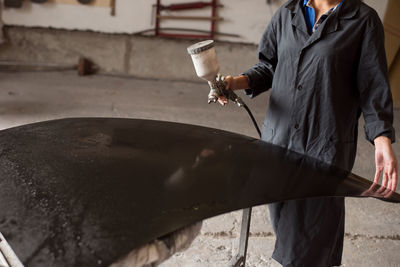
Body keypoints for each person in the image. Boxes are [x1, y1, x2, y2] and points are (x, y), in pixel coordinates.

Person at [218, 0, 398, 266]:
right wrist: (235, 82)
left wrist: (382, 138)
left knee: (309, 241)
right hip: (279, 143)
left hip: (324, 147)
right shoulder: (288, 13)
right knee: (291, 232)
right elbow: (268, 67)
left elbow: (373, 87)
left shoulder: (363, 21)